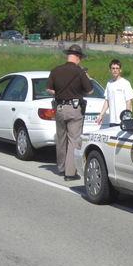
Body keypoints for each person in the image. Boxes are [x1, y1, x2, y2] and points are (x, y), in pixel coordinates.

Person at [46, 44, 93, 181]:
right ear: (78, 57)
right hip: (74, 109)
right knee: (73, 140)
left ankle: (61, 169)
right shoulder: (79, 72)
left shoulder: (56, 70)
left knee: (61, 139)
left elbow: (48, 89)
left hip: (59, 108)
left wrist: (60, 93)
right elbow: (90, 90)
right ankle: (70, 173)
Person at [96, 59, 133, 127]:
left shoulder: (125, 83)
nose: (115, 70)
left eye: (117, 68)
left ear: (120, 70)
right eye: (113, 68)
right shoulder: (109, 84)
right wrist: (101, 115)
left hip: (123, 120)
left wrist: (126, 117)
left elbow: (129, 101)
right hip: (112, 120)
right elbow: (107, 101)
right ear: (110, 70)